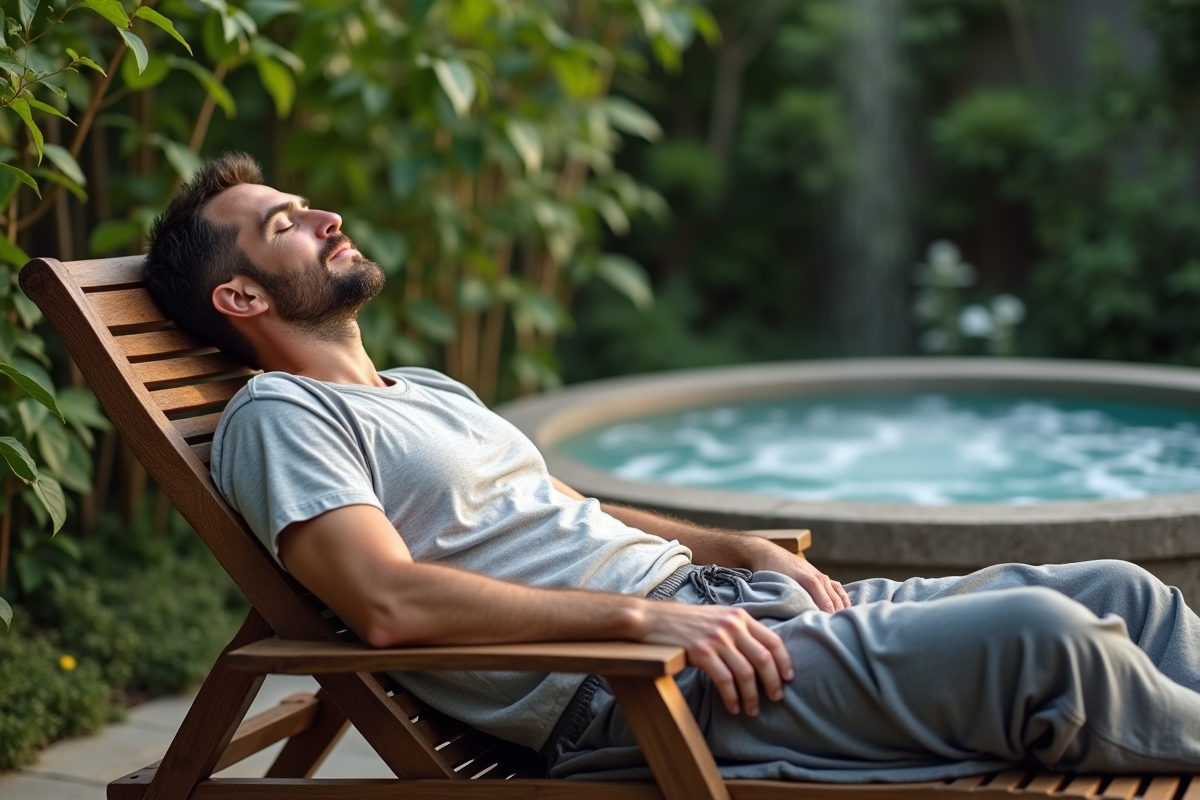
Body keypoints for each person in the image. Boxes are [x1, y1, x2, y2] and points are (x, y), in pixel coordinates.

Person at [143, 153, 1200, 782]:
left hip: (718, 612)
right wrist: (643, 622)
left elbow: (569, 504)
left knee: (1121, 589)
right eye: (284, 224)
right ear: (239, 299)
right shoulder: (279, 413)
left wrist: (719, 544)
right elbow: (384, 601)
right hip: (646, 688)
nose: (327, 216)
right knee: (1043, 642)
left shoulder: (420, 389)